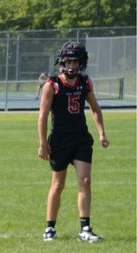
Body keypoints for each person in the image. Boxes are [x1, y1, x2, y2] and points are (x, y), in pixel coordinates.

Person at [38, 41, 110, 242]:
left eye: (76, 62)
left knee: (85, 181)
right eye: (69, 61)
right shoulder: (51, 85)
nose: (72, 66)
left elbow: (95, 108)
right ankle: (50, 227)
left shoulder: (85, 83)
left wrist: (102, 133)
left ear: (81, 63)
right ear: (62, 62)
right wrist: (43, 143)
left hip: (80, 138)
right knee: (58, 184)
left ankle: (85, 228)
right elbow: (42, 117)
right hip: (60, 140)